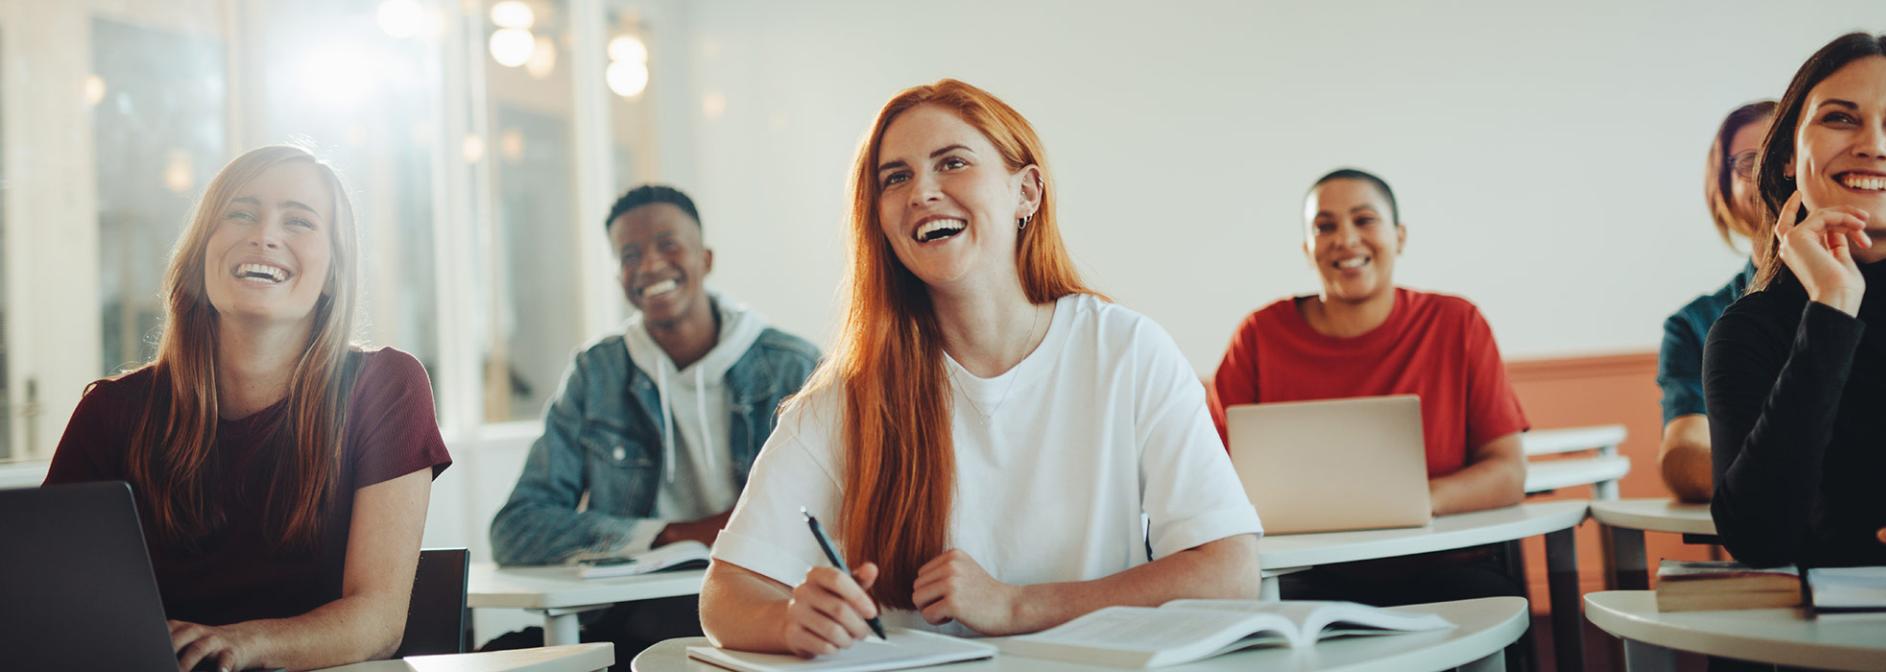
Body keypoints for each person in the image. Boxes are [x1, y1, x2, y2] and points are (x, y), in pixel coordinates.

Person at [697, 79, 1261, 657]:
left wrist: (1017, 606)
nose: (922, 192)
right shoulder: (849, 399)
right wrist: (788, 620)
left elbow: (1228, 572)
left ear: (1027, 193)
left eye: (953, 163)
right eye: (896, 178)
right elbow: (724, 594)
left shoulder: (1125, 350)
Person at [44, 145, 451, 671]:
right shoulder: (109, 412)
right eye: (240, 213)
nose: (265, 235)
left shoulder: (387, 386)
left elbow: (378, 621)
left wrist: (243, 645)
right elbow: (54, 606)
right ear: (201, 254)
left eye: (299, 221)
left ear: (332, 272)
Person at [485, 185, 819, 653]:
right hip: (629, 617)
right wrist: (671, 535)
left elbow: (834, 515)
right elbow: (516, 528)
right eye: (629, 254)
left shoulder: (794, 366)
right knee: (495, 657)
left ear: (705, 259)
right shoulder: (596, 373)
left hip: (761, 610)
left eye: (667, 244)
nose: (648, 265)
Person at [1209, 168, 1529, 606]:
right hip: (1305, 572)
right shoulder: (1259, 336)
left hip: (1441, 566)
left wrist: (1416, 500)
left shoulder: (1458, 324)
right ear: (1308, 248)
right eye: (1325, 227)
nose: (1345, 239)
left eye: (1364, 220)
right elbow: (1215, 475)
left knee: (1486, 601)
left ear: (1399, 237)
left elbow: (1509, 472)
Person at [1705, 32, 1886, 571]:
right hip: (1822, 641)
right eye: (1840, 118)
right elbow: (1758, 539)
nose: (1873, 145)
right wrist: (1833, 306)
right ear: (1784, 159)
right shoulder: (1746, 330)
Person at [1657, 101, 1777, 503]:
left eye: (1786, 154)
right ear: (1722, 186)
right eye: (1750, 162)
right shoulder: (1694, 324)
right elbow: (1683, 452)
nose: (1774, 173)